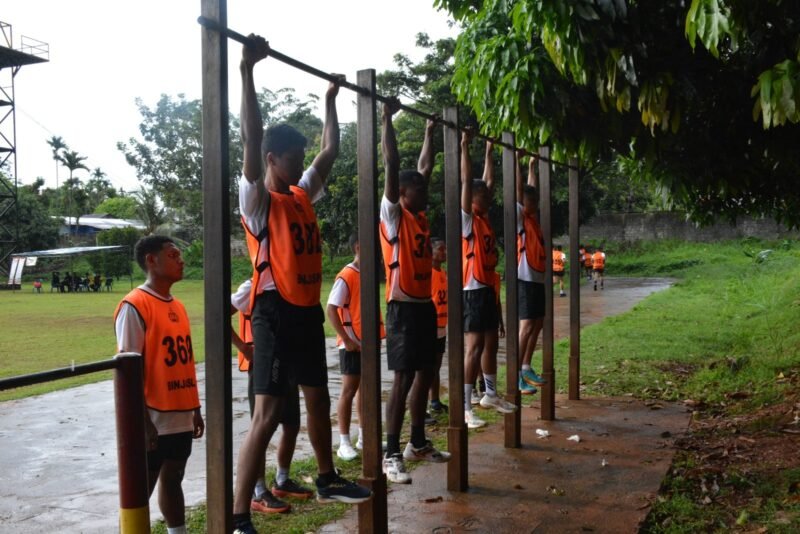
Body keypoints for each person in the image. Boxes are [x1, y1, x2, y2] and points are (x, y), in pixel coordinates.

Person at [234, 35, 370, 534]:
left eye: (299, 158)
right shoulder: (257, 201)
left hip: (305, 310)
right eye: (291, 158)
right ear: (271, 159)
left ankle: (328, 478)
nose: (299, 164)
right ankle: (239, 514)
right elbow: (250, 137)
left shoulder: (300, 194)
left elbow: (331, 150)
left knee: (317, 397)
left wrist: (330, 100)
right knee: (267, 414)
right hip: (273, 312)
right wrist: (248, 71)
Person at [379, 99, 450, 485]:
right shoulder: (393, 215)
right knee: (403, 378)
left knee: (426, 373)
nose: (425, 192)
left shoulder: (419, 216)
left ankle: (417, 441)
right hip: (402, 307)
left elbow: (425, 167)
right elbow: (392, 164)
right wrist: (387, 120)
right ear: (402, 193)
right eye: (418, 189)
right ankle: (391, 451)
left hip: (423, 305)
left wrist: (429, 133)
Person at [114, 235, 204, 534]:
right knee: (140, 491)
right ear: (151, 260)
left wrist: (195, 408)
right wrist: (142, 422)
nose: (181, 261)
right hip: (152, 416)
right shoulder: (134, 305)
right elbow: (128, 372)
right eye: (173, 255)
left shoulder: (178, 306)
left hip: (180, 412)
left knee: (174, 477)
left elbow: (184, 361)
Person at [230, 279, 313, 515]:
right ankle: (258, 492)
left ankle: (282, 480)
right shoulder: (253, 285)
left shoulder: (289, 282)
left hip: (286, 361)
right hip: (262, 364)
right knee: (262, 429)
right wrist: (243, 348)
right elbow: (220, 314)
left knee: (291, 424)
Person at [460, 131, 517, 429]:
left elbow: (489, 182)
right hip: (472, 289)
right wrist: (464, 146)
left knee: (491, 343)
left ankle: (490, 394)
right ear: (471, 198)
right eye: (483, 196)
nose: (489, 197)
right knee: (474, 347)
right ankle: (465, 406)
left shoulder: (483, 218)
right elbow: (467, 181)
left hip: (487, 287)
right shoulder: (467, 219)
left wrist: (489, 151)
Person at [326, 233, 385, 461]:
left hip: (368, 343)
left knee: (364, 390)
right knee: (348, 391)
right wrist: (346, 339)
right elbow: (331, 309)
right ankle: (343, 442)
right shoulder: (347, 275)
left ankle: (364, 436)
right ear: (359, 247)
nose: (378, 252)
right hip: (352, 344)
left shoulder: (367, 274)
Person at [516, 152, 547, 396]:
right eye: (531, 201)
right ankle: (516, 372)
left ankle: (526, 367)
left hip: (537, 279)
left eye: (536, 201)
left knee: (538, 323)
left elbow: (530, 189)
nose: (535, 204)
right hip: (525, 279)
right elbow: (520, 192)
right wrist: (516, 162)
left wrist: (532, 166)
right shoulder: (519, 219)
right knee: (526, 326)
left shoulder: (533, 219)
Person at [428, 237, 449, 417]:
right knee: (426, 369)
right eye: (441, 249)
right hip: (429, 327)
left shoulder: (443, 273)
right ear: (431, 251)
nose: (444, 252)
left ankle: (435, 401)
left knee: (436, 367)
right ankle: (424, 405)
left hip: (441, 326)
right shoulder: (427, 274)